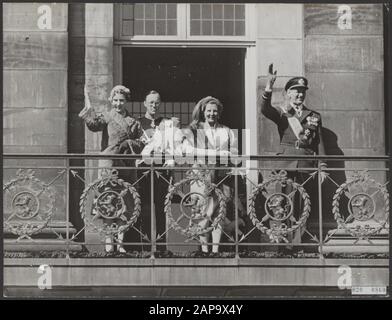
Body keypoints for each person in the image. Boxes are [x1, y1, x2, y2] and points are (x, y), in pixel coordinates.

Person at [258, 63, 328, 243]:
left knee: (302, 205)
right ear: (288, 93)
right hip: (285, 165)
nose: (299, 94)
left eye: (302, 91)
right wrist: (268, 87)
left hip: (305, 165)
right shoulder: (283, 114)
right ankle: (282, 243)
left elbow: (319, 143)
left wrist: (323, 165)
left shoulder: (314, 116)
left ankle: (297, 244)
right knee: (282, 204)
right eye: (295, 91)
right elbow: (265, 110)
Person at [79, 85, 144, 253]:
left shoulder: (134, 121)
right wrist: (88, 104)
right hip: (109, 163)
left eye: (121, 101)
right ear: (111, 100)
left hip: (127, 164)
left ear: (126, 101)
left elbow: (142, 143)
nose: (118, 104)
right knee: (108, 202)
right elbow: (93, 125)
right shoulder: (107, 117)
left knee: (125, 203)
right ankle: (109, 245)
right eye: (115, 100)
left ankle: (121, 244)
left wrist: (129, 144)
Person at [183, 96, 246, 253]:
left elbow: (234, 152)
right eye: (209, 111)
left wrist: (229, 155)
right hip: (200, 176)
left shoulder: (226, 131)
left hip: (221, 176)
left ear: (219, 113)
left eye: (215, 111)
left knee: (219, 212)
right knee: (202, 212)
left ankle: (216, 250)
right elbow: (187, 150)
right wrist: (212, 153)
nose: (212, 114)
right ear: (203, 111)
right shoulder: (194, 129)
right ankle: (204, 250)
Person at [133, 90, 173, 252]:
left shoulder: (167, 123)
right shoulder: (137, 123)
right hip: (143, 171)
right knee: (144, 208)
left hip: (161, 170)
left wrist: (171, 159)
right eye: (151, 102)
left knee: (161, 208)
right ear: (145, 104)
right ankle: (145, 247)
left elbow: (172, 144)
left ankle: (162, 247)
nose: (154, 105)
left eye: (156, 102)